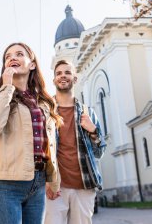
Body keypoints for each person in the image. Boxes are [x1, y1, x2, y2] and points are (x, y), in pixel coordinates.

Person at [0, 42, 63, 224]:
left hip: (38, 182)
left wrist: (53, 179)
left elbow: (50, 144)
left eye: (19, 54)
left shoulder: (45, 103)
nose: (12, 58)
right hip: (6, 184)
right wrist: (7, 88)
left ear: (32, 64)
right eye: (8, 56)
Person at [45, 60, 107, 224]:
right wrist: (45, 181)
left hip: (84, 186)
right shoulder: (45, 112)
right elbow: (38, 150)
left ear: (75, 78)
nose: (63, 76)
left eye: (67, 72)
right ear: (54, 80)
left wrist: (93, 131)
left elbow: (99, 152)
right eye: (58, 73)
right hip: (55, 187)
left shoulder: (89, 113)